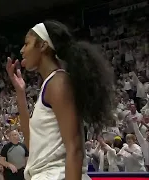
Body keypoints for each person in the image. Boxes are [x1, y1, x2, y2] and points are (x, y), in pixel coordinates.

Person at [6, 20, 115, 180]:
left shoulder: (58, 82)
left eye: (26, 44)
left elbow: (75, 149)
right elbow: (32, 146)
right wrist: (20, 94)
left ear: (43, 46)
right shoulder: (51, 84)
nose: (22, 50)